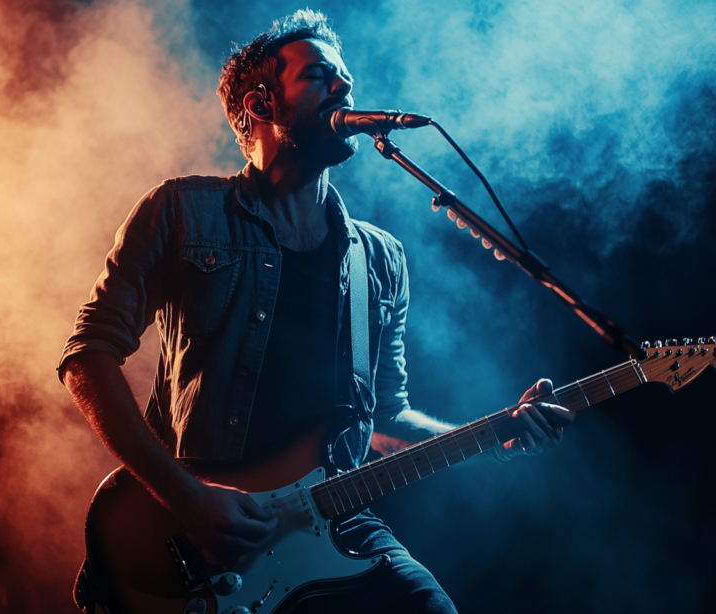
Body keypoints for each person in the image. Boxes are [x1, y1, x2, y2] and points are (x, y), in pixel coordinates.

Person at [59, 9, 575, 613]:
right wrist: (187, 498)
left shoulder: (380, 259)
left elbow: (386, 418)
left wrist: (492, 434)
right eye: (320, 76)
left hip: (340, 528)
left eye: (346, 78)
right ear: (261, 104)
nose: (344, 89)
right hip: (202, 527)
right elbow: (87, 356)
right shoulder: (181, 213)